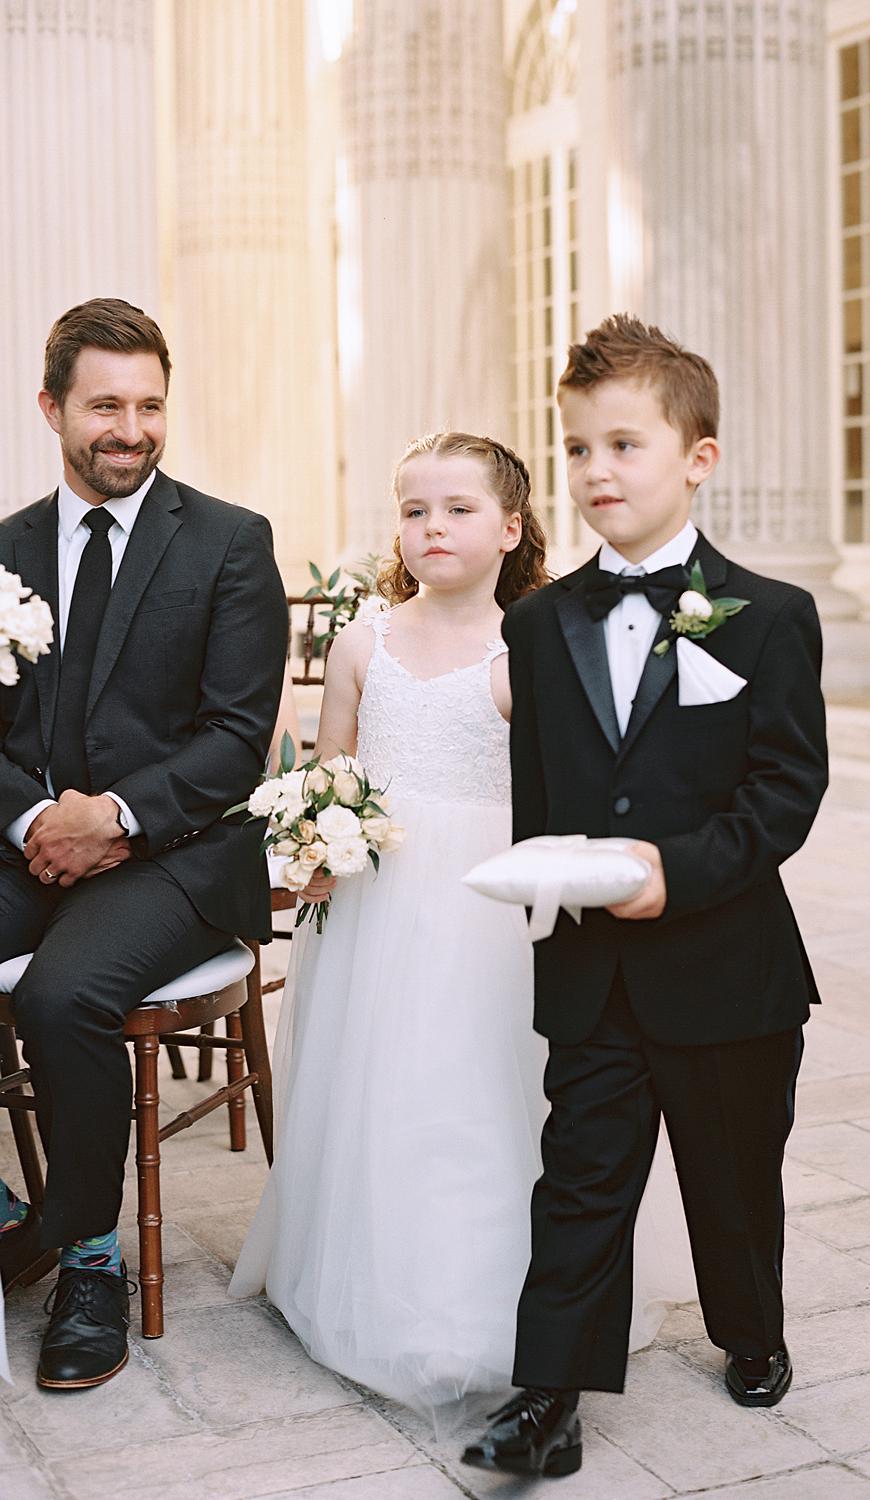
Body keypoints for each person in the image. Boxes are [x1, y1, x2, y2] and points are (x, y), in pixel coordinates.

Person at [230, 431, 694, 1418]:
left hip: (496, 912)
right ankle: (389, 1292)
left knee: (489, 1091)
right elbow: (332, 774)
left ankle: (511, 1304)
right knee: (387, 1088)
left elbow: (575, 788)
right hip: (382, 906)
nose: (432, 528)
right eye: (413, 510)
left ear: (512, 527)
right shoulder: (363, 642)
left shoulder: (533, 645)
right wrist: (314, 837)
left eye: (459, 509)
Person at [463, 314, 829, 1478]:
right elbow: (538, 801)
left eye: (624, 445)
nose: (596, 472)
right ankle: (549, 1397)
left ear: (698, 458)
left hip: (730, 967)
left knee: (733, 1177)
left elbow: (786, 793)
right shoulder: (536, 623)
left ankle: (751, 1332)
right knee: (579, 1181)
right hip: (592, 972)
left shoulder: (770, 616)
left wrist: (681, 871)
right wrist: (546, 898)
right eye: (576, 449)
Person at [0, 298, 288, 1389]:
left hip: (178, 854)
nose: (131, 428)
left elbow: (233, 740)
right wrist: (35, 821)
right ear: (52, 408)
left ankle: (88, 1257)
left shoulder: (229, 540)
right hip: (27, 843)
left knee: (62, 996)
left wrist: (111, 819)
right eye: (105, 405)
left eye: (150, 404)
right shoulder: (4, 550)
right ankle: (10, 1211)